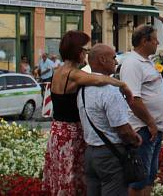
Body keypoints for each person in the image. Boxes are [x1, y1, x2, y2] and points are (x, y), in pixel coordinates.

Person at [43, 31, 133, 196]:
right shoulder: (73, 73)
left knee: (63, 180)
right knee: (73, 182)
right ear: (77, 51)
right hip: (71, 135)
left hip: (58, 132)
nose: (86, 53)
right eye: (85, 49)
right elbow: (99, 79)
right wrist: (122, 84)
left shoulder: (59, 71)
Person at [78, 44, 143, 196]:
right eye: (113, 58)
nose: (116, 62)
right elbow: (123, 130)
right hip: (110, 154)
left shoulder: (83, 89)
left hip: (91, 153)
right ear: (102, 59)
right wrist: (135, 139)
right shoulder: (110, 91)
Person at [120, 26, 163, 196]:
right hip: (144, 129)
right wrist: (150, 123)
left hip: (154, 129)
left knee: (149, 176)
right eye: (155, 39)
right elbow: (134, 99)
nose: (157, 42)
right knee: (138, 179)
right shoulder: (132, 63)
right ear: (144, 41)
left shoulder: (147, 61)